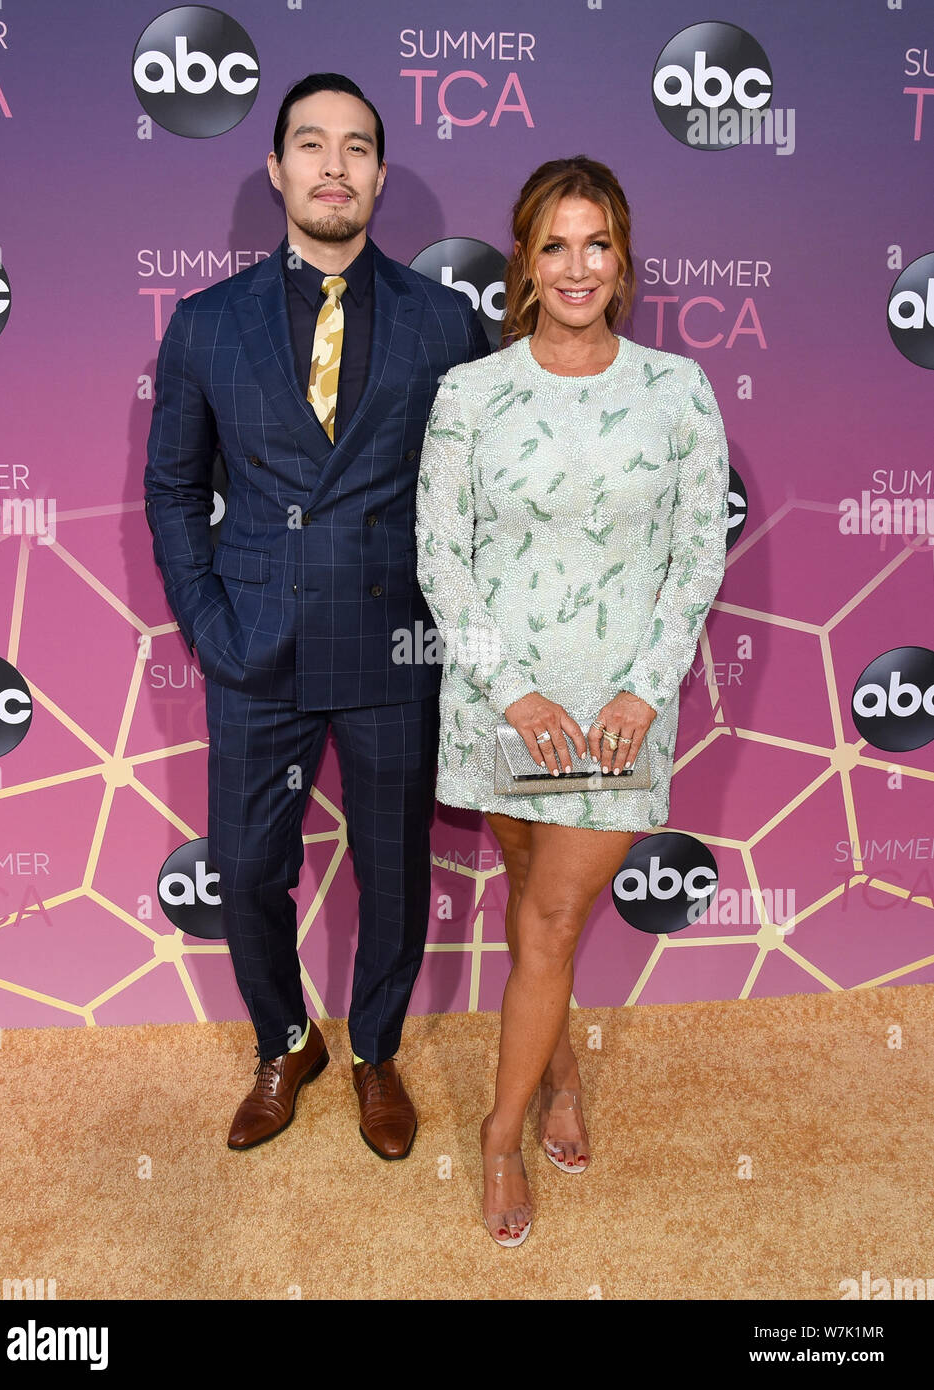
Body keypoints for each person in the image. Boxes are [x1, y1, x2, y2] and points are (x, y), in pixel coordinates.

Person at [145, 73, 489, 1160]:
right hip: (256, 645)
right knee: (245, 868)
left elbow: (471, 494)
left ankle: (377, 1050)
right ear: (277, 170)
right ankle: (285, 1040)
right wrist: (208, 622)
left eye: (355, 148)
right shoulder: (205, 326)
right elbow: (170, 487)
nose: (333, 166)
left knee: (392, 867)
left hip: (393, 644)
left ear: (381, 175)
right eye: (310, 144)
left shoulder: (447, 322)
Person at [416, 156, 729, 1244]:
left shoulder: (675, 388)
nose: (576, 266)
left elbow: (695, 555)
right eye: (555, 244)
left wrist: (646, 690)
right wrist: (510, 691)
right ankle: (556, 1078)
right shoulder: (472, 393)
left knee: (550, 914)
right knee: (522, 891)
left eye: (596, 243)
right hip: (504, 702)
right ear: (524, 260)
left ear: (623, 257)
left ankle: (499, 1136)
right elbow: (441, 561)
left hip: (616, 711)